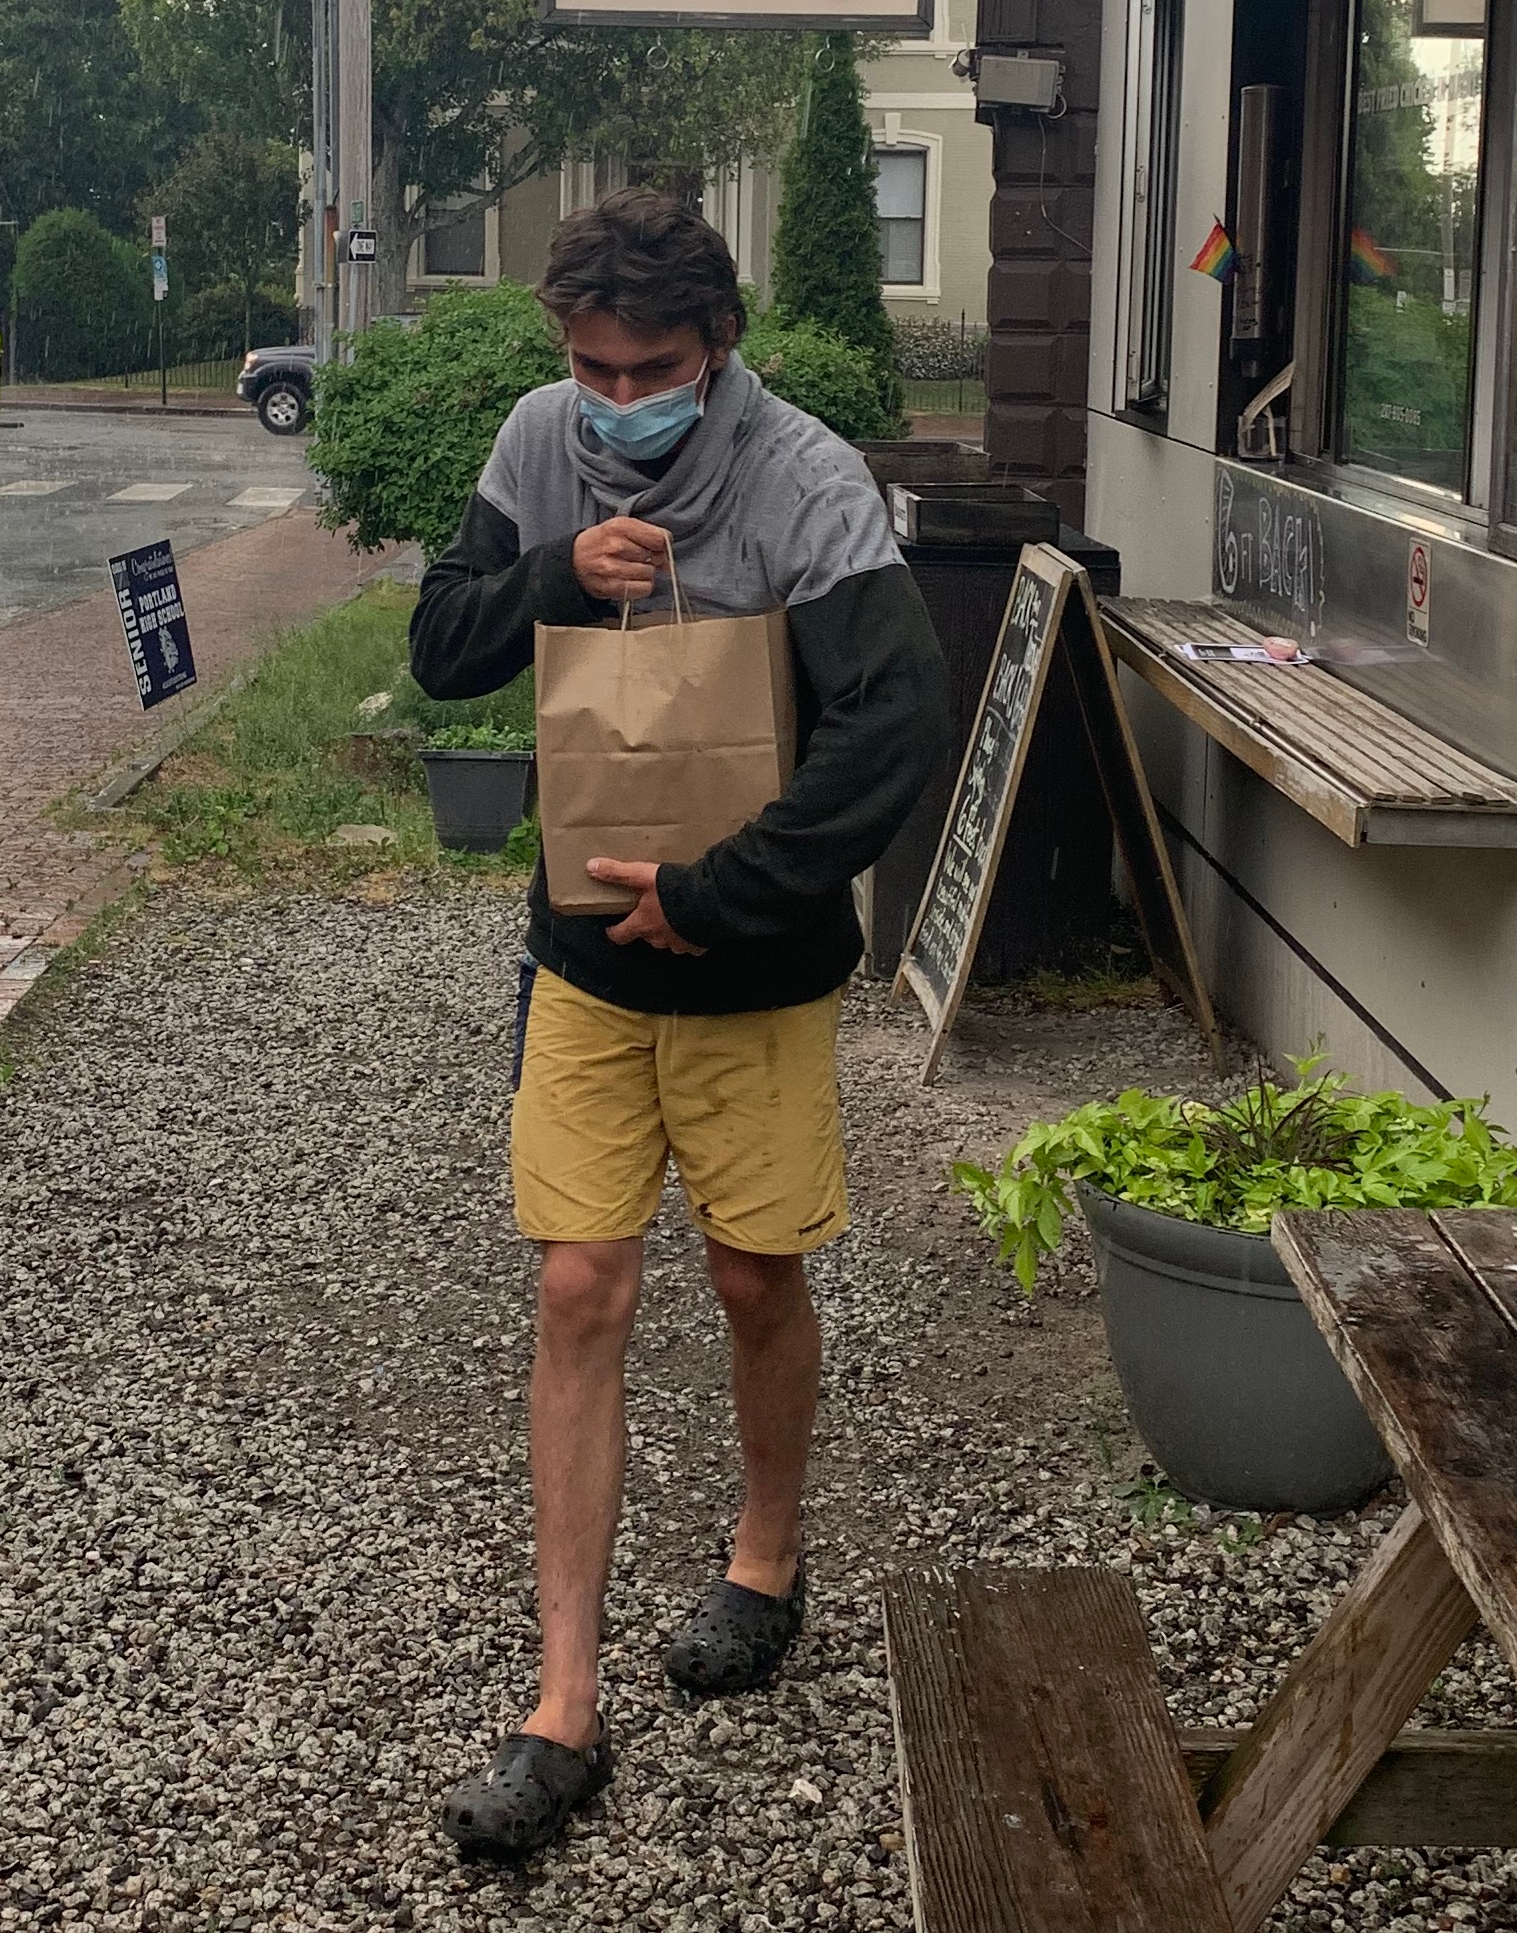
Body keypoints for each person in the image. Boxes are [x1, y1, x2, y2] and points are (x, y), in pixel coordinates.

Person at [409, 187, 953, 1862]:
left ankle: (766, 1552)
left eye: (651, 368)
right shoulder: (536, 446)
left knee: (751, 1272)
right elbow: (441, 649)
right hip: (582, 958)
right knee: (580, 1283)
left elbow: (895, 724)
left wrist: (724, 890)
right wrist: (557, 573)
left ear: (718, 351)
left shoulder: (804, 482)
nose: (617, 396)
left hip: (751, 963)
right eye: (591, 366)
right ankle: (562, 1706)